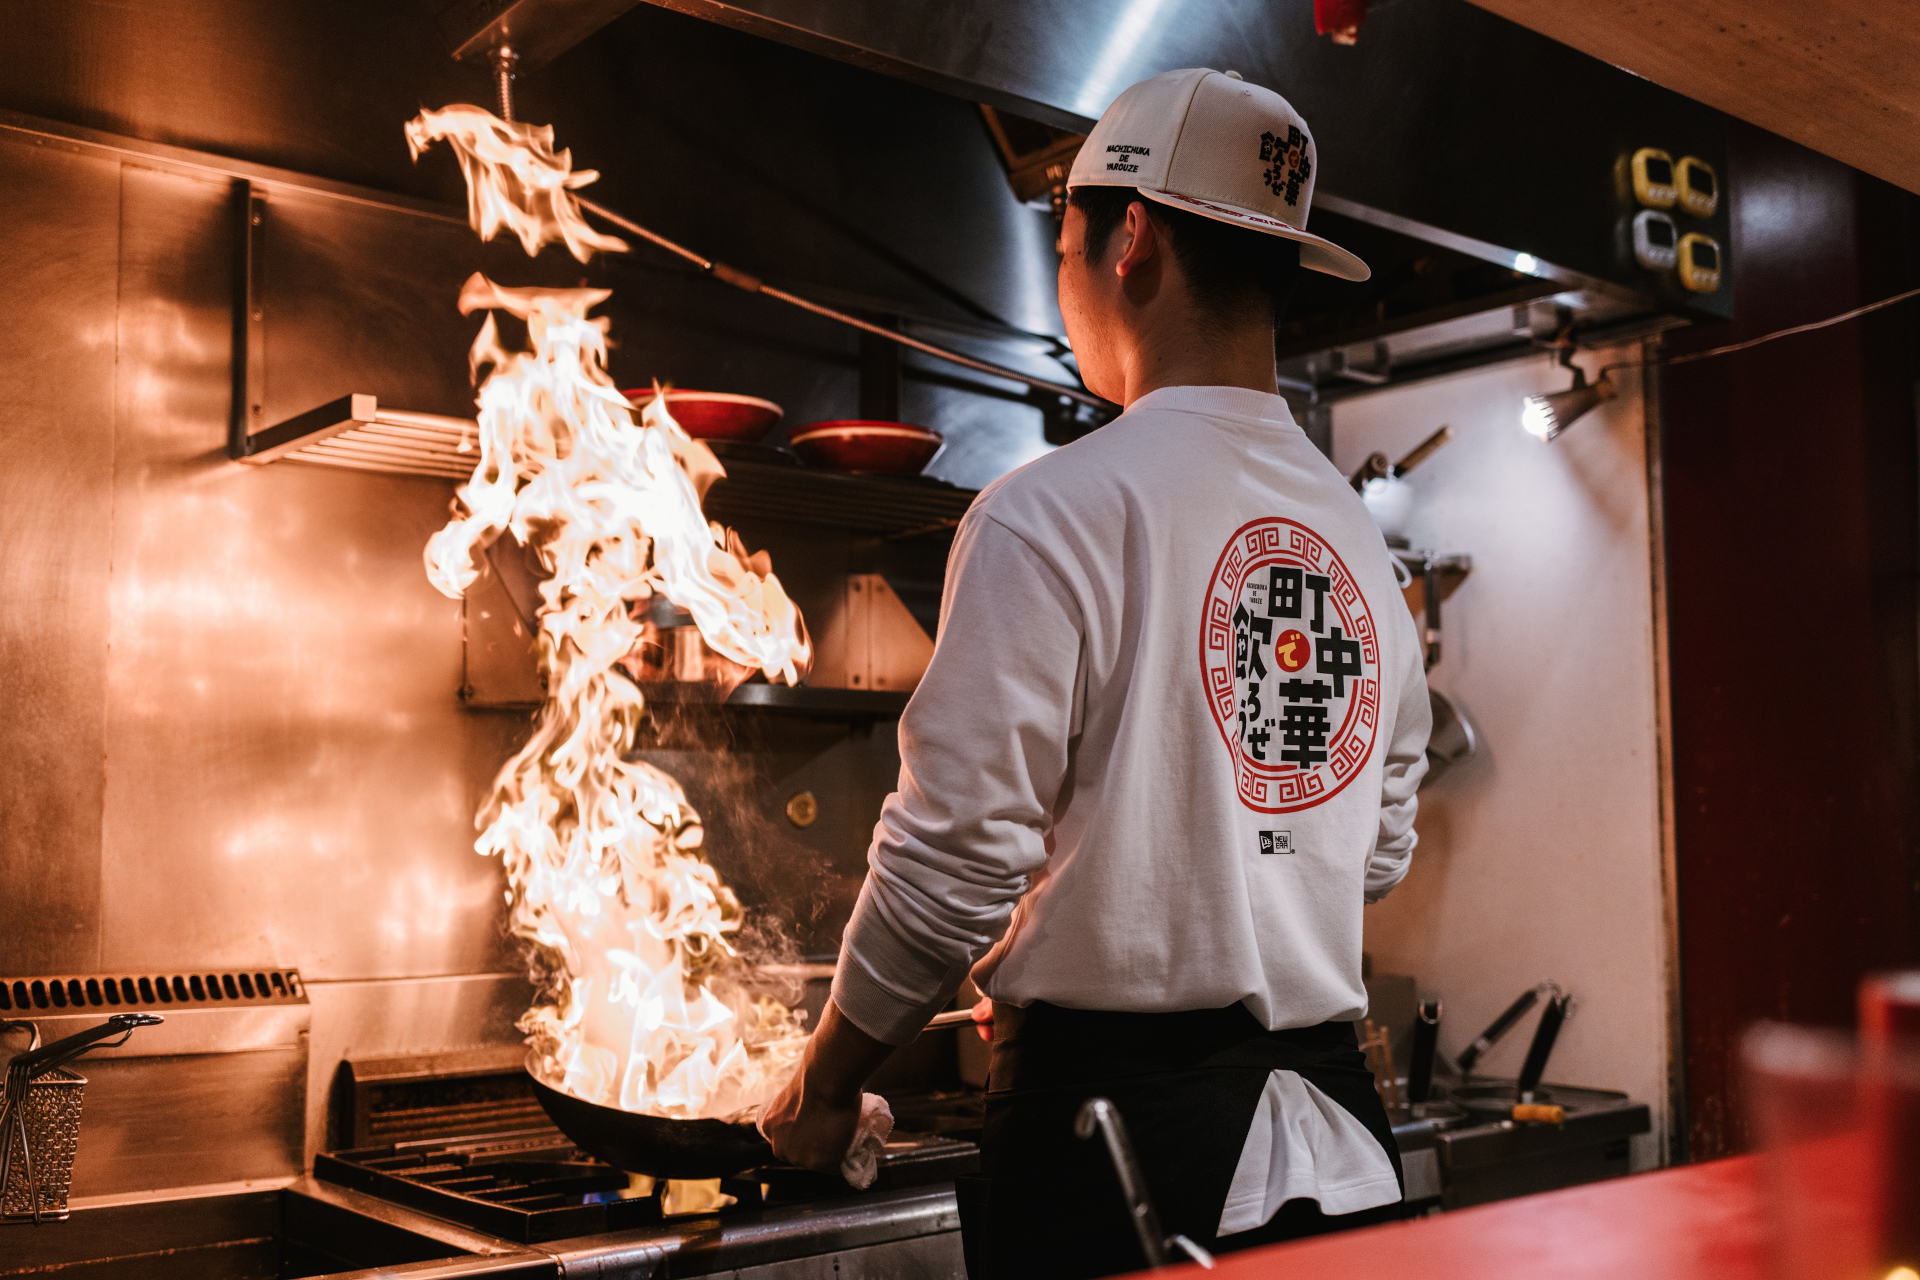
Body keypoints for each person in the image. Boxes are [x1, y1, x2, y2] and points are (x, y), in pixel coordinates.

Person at [760, 68, 1431, 1278]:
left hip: (1124, 1155)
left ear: (1129, 239)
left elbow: (952, 862)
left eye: (1062, 236)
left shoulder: (1053, 512)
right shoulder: (1360, 543)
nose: (1062, 275)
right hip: (1342, 1152)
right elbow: (1371, 848)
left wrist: (824, 1084)